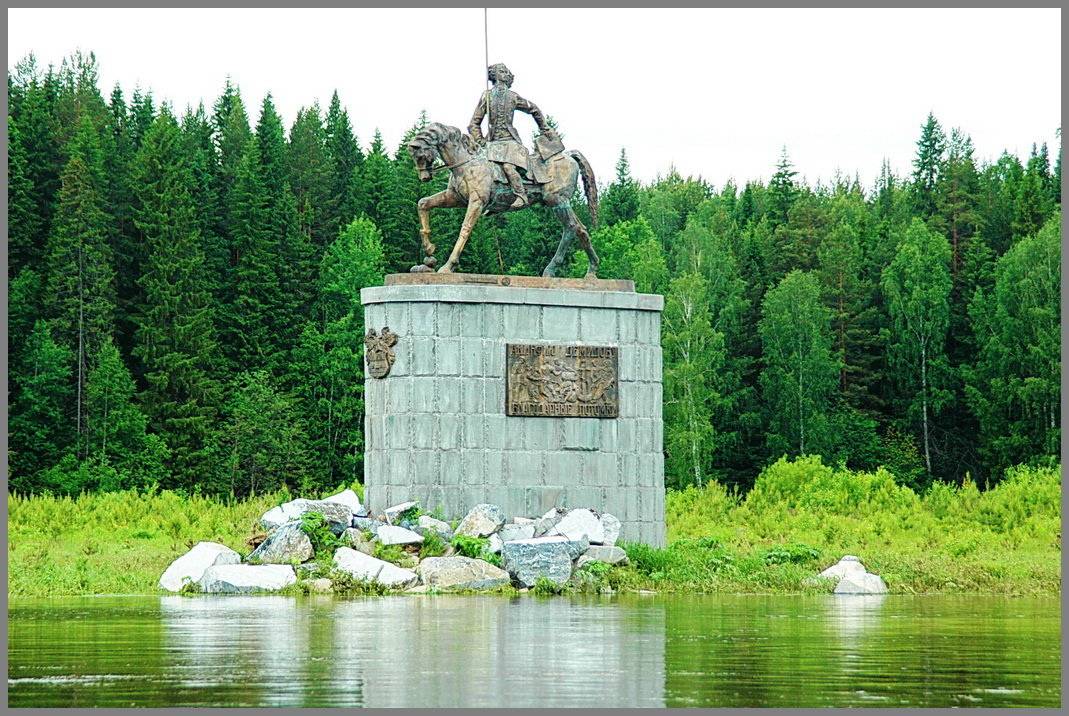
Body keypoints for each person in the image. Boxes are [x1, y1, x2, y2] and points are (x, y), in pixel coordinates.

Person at [468, 63, 549, 208]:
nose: (505, 74)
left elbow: (534, 109)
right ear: (494, 76)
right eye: (502, 72)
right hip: (492, 143)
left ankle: (521, 196)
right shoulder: (486, 96)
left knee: (508, 167)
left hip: (510, 142)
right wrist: (480, 141)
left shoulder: (513, 97)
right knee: (483, 171)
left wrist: (544, 127)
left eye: (506, 72)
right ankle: (493, 200)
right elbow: (474, 123)